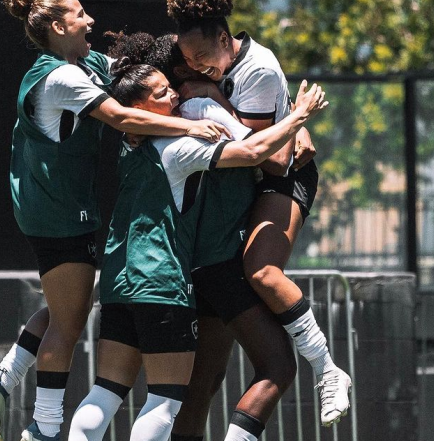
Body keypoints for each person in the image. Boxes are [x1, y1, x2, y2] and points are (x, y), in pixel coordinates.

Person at [0, 0, 231, 441]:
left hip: (69, 212)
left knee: (67, 309)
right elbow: (127, 116)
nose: (91, 20)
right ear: (58, 27)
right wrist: (195, 121)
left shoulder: (86, 64)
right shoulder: (59, 78)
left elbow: (137, 82)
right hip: (54, 212)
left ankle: (5, 378)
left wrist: (194, 68)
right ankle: (43, 429)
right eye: (80, 13)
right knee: (70, 324)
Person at [67, 42, 327, 440]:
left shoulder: (127, 143)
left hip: (118, 282)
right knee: (165, 401)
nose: (174, 92)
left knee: (106, 391)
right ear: (138, 110)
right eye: (161, 92)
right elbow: (256, 151)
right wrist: (298, 117)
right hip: (162, 283)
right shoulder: (178, 148)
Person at [165, 0, 352, 429]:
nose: (195, 68)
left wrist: (213, 99)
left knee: (263, 270)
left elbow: (273, 160)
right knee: (204, 375)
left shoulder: (258, 69)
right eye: (188, 61)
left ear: (226, 41)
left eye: (205, 59)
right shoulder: (184, 56)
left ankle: (328, 370)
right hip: (231, 201)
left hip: (281, 180)